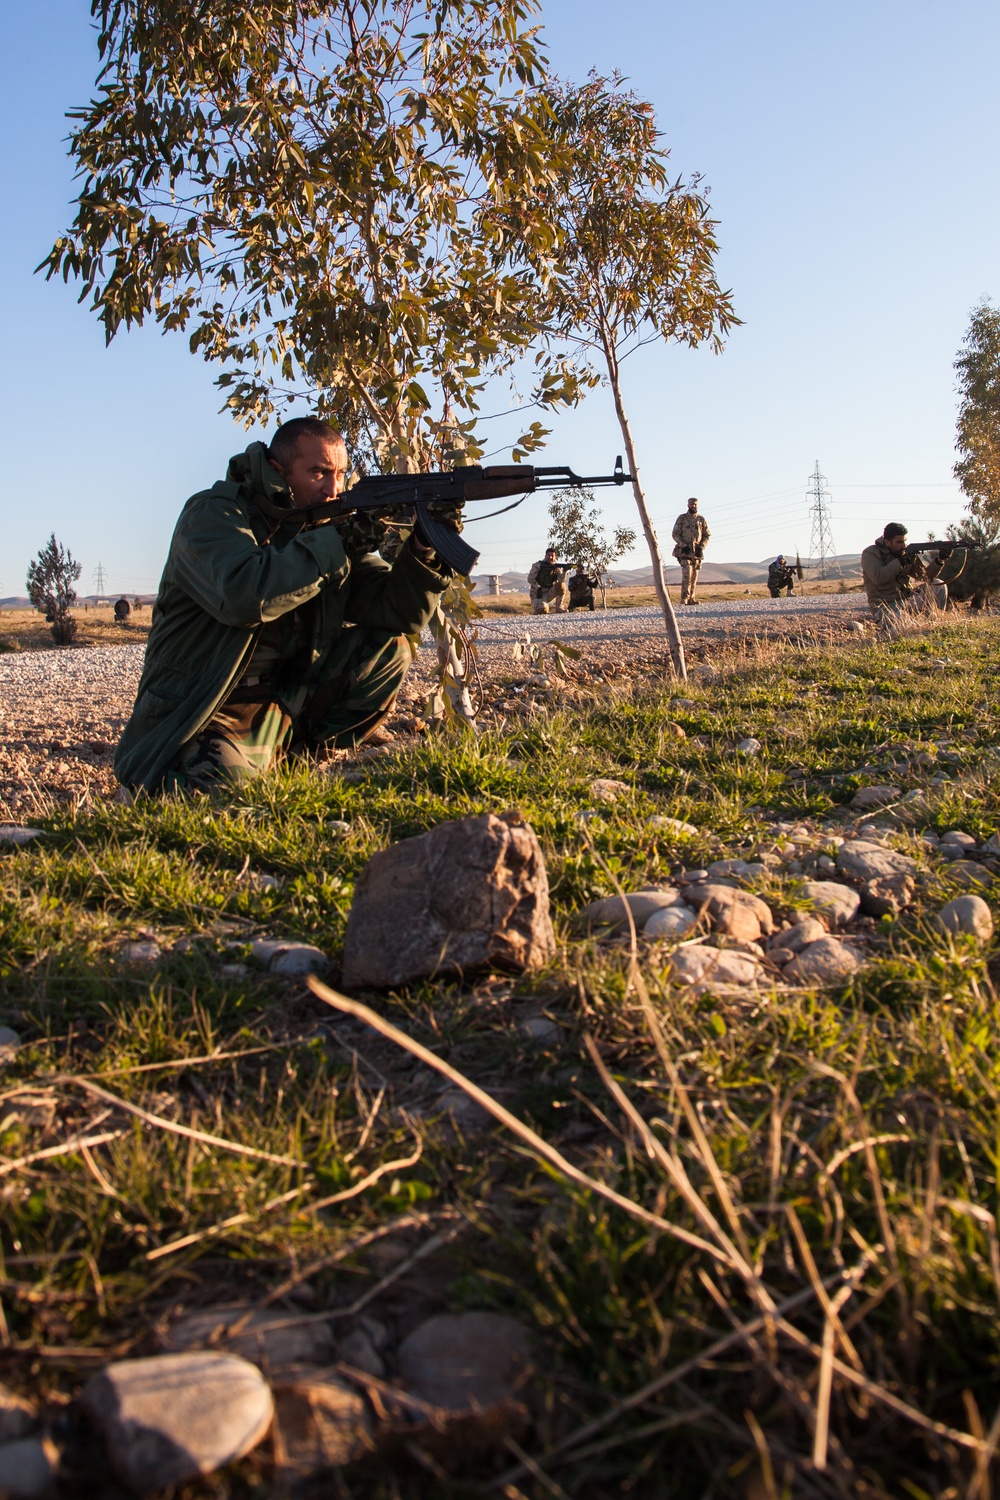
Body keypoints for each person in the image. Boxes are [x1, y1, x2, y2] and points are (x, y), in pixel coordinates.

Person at [114, 418, 454, 793]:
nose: (334, 488)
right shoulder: (213, 515)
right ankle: (159, 782)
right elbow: (245, 595)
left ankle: (293, 759)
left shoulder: (323, 528)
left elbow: (400, 611)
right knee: (223, 801)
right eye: (319, 473)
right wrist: (340, 541)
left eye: (340, 474)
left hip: (285, 701)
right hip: (209, 710)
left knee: (392, 648)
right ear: (278, 471)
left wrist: (425, 546)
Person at [861, 522, 949, 631]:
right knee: (905, 630)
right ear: (887, 542)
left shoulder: (905, 552)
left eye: (904, 541)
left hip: (907, 601)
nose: (903, 545)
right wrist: (901, 562)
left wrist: (939, 560)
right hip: (885, 607)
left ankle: (935, 624)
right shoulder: (870, 553)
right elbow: (878, 577)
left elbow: (924, 577)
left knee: (938, 585)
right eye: (899, 542)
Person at [672, 497, 710, 605]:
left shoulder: (701, 519)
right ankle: (684, 597)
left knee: (695, 575)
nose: (693, 506)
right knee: (687, 574)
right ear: (687, 505)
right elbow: (675, 534)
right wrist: (683, 545)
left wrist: (701, 546)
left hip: (696, 552)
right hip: (684, 551)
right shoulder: (682, 518)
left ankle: (692, 598)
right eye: (691, 504)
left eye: (695, 504)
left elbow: (707, 535)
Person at [527, 548, 570, 614]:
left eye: (552, 555)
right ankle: (538, 608)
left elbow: (561, 579)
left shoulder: (557, 567)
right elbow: (530, 578)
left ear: (555, 557)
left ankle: (559, 607)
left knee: (562, 585)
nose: (550, 557)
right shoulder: (537, 565)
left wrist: (565, 571)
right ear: (545, 556)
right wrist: (537, 587)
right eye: (548, 555)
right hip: (537, 594)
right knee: (542, 610)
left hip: (549, 593)